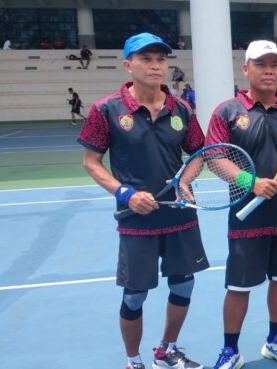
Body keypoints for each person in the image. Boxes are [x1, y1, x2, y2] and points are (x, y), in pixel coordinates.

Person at [76, 32, 208, 369]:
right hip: (136, 219)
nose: (155, 66)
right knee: (135, 294)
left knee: (184, 284)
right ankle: (134, 360)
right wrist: (126, 194)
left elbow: (198, 154)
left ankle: (167, 350)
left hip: (179, 215)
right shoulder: (106, 109)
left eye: (161, 59)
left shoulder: (183, 108)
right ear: (128, 65)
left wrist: (185, 181)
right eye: (146, 59)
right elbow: (91, 162)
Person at [205, 40, 277, 369]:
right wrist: (250, 182)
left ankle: (275, 340)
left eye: (274, 65)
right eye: (261, 64)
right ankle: (230, 350)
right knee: (239, 284)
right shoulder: (228, 111)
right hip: (245, 214)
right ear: (246, 69)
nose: (268, 70)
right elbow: (214, 156)